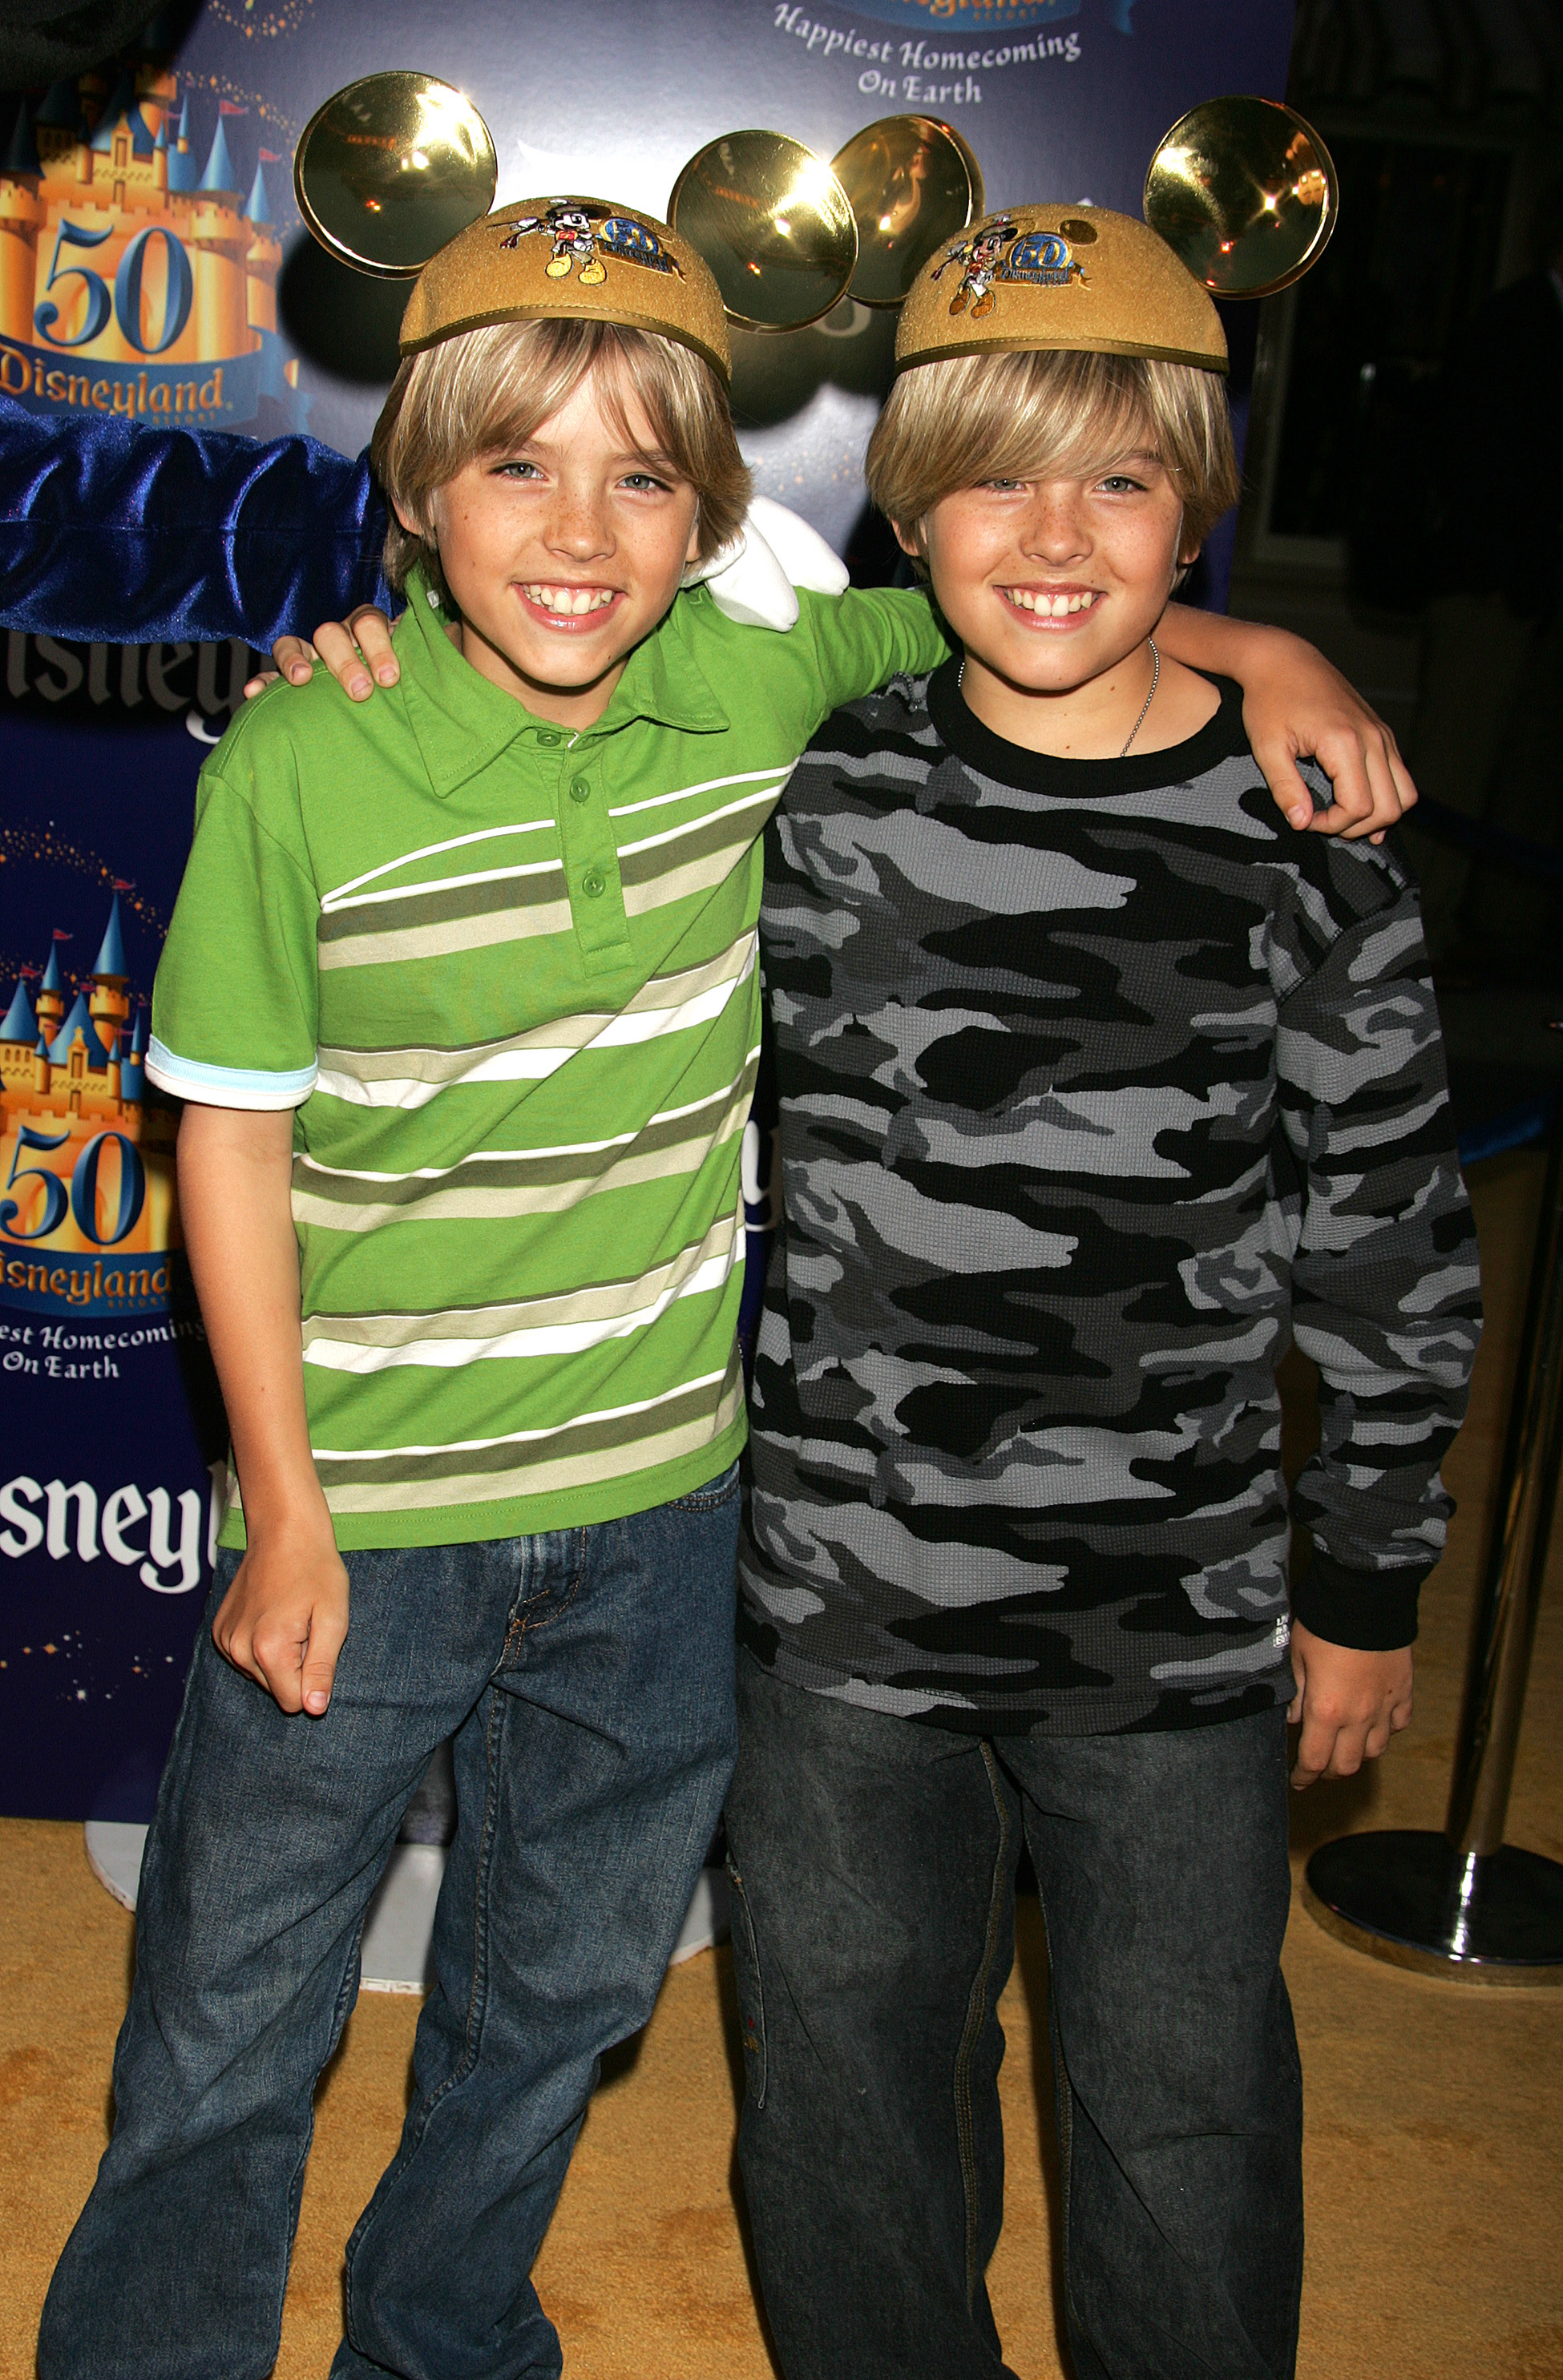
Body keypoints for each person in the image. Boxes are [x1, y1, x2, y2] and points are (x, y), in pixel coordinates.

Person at [34, 196, 963, 2380]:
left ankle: (442, 2340)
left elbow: (1028, 623)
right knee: (230, 2011)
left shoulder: (751, 685)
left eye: (642, 475)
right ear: (423, 489)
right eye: (518, 464)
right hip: (367, 1526)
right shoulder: (301, 759)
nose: (577, 529)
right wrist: (283, 1509)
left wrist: (1279, 652)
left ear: (709, 517)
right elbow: (230, 1143)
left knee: (564, 1996)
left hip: (660, 1513)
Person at [715, 208, 1480, 2380]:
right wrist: (348, 653)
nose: (1054, 537)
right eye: (994, 480)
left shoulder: (1308, 836)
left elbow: (1393, 1240)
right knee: (847, 2106)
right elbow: (567, 662)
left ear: (1198, 509)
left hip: (1181, 1625)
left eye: (1123, 481)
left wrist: (1367, 1581)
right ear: (909, 510)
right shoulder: (829, 780)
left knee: (1185, 2112)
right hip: (851, 1611)